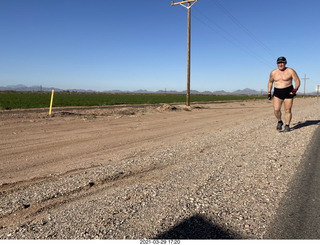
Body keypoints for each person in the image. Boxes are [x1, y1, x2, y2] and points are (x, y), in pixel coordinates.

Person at [267, 57, 300, 131]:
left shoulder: (290, 71)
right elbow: (270, 82)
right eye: (279, 63)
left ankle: (287, 125)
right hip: (277, 92)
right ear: (277, 64)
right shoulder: (273, 72)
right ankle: (279, 121)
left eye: (282, 62)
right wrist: (269, 92)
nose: (280, 64)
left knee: (288, 110)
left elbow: (297, 80)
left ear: (285, 63)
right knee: (276, 110)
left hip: (288, 92)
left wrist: (295, 90)